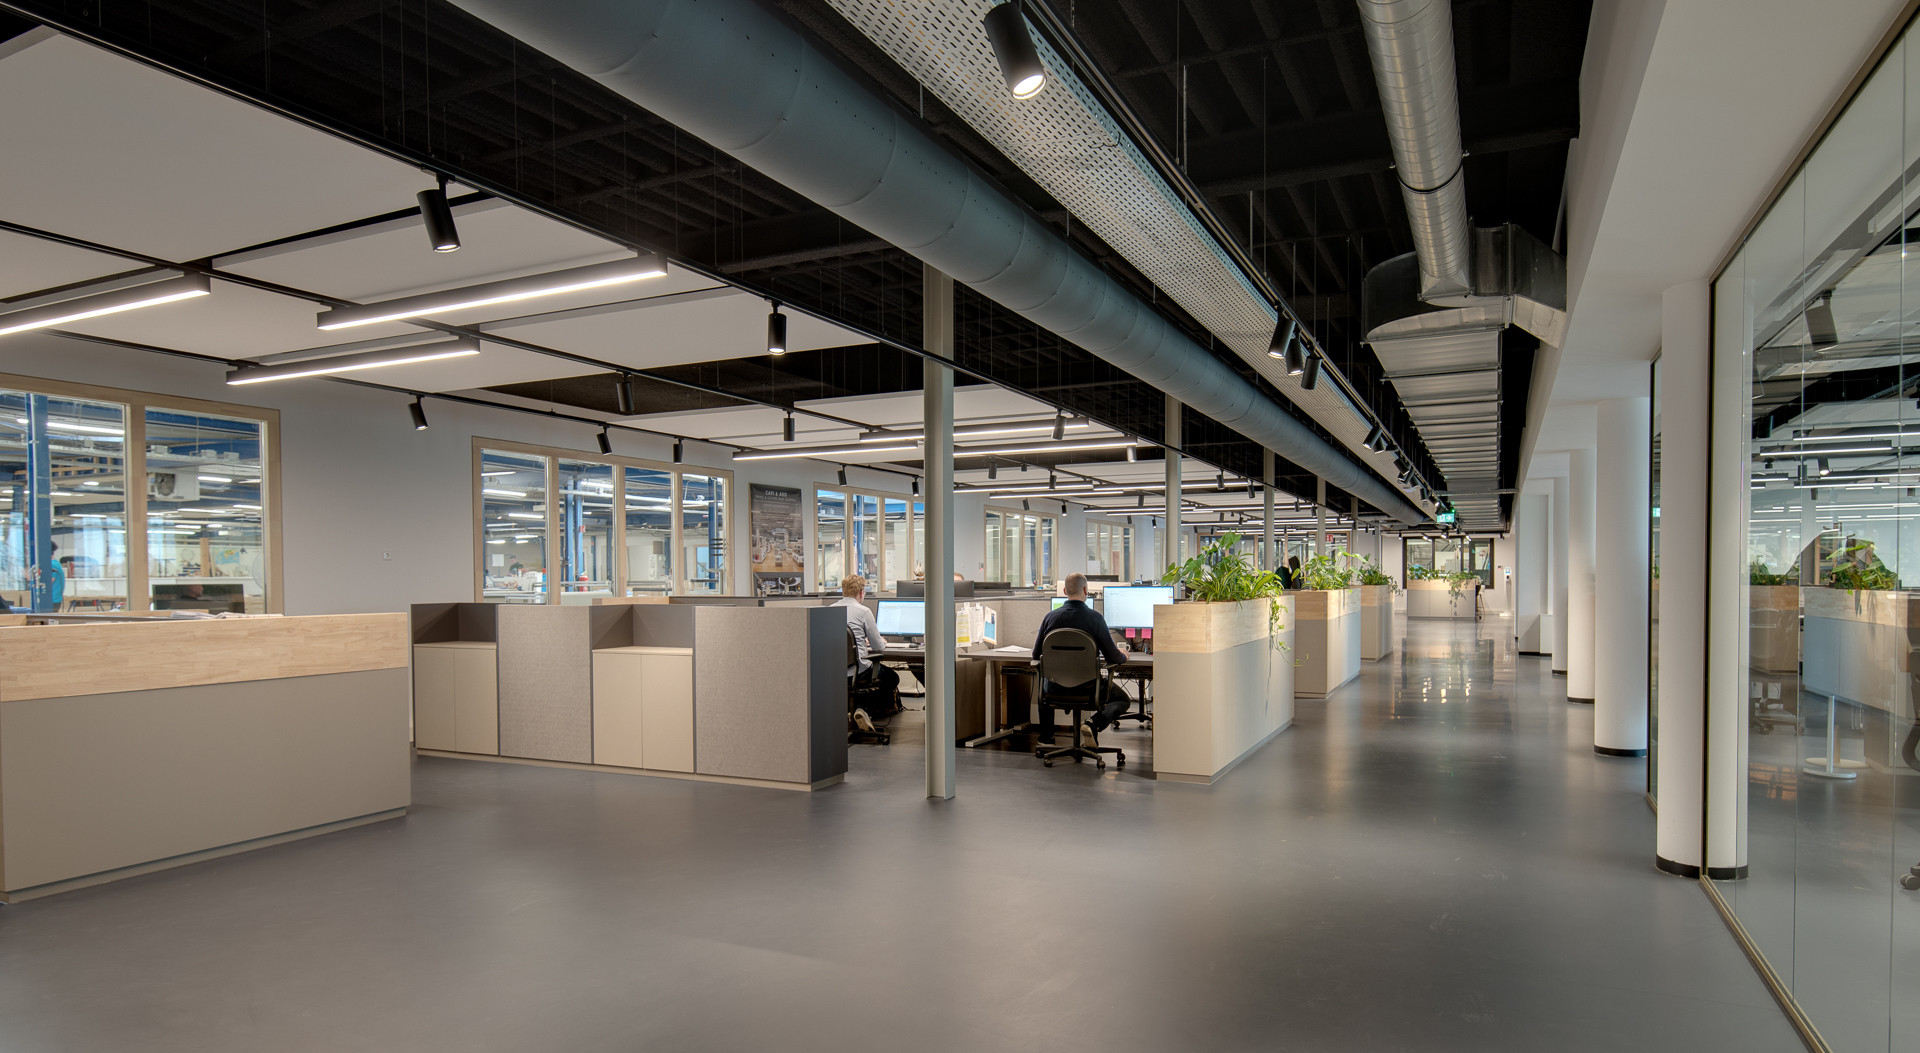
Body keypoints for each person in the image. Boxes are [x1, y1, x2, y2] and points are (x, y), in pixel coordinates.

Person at [1031, 572, 1130, 743]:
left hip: (1055, 689)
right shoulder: (1095, 618)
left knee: (1043, 680)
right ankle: (1094, 724)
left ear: (1064, 591)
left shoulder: (1050, 618)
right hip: (1088, 688)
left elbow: (1036, 655)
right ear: (1085, 590)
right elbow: (1113, 658)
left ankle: (1046, 738)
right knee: (1123, 700)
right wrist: (1123, 655)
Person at [834, 574, 899, 731]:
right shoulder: (863, 611)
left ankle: (858, 710)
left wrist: (860, 641)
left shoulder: (830, 610)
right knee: (892, 677)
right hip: (859, 671)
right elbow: (877, 646)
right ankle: (866, 711)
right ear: (861, 592)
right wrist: (882, 641)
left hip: (835, 672)